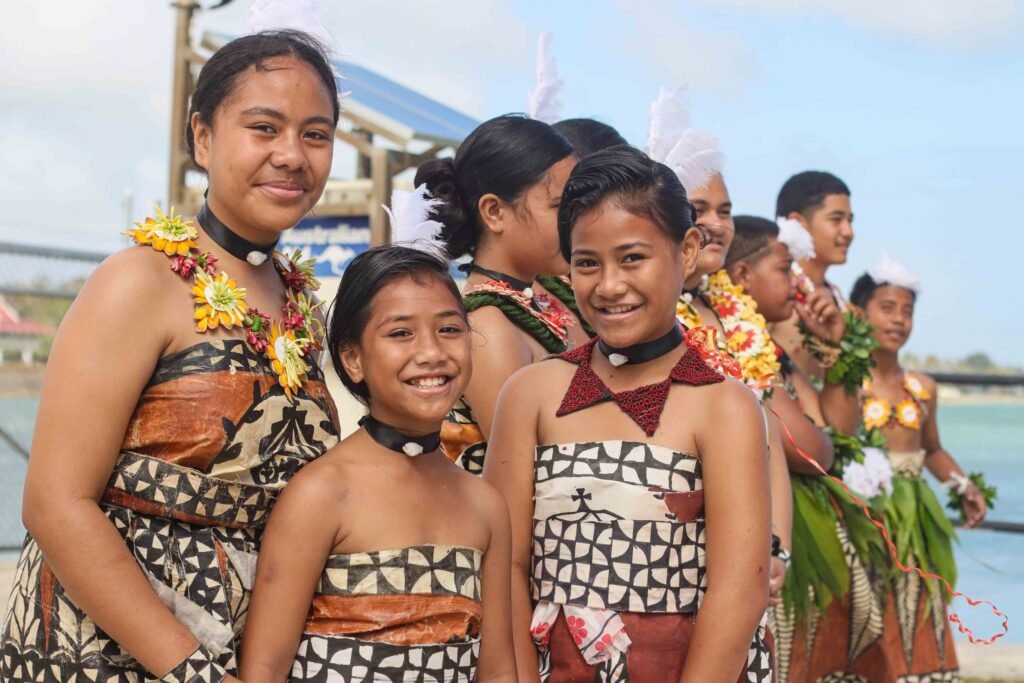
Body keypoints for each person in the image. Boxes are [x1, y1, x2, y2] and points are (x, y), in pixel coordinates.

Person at [1, 30, 341, 681]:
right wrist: (189, 668)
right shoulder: (141, 282)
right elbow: (54, 501)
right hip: (105, 651)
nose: (292, 155)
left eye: (316, 134)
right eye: (264, 127)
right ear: (203, 138)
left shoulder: (303, 307)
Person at [485, 146, 772, 681]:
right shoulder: (530, 394)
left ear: (686, 251)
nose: (609, 286)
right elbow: (506, 567)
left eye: (632, 258)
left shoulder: (725, 405)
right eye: (587, 263)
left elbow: (739, 586)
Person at [239, 245, 516, 682]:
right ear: (352, 359)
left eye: (449, 329)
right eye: (400, 333)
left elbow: (498, 671)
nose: (431, 352)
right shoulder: (323, 493)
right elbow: (263, 669)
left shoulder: (485, 505)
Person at [841, 255, 990, 680]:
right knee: (862, 610)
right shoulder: (844, 383)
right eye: (887, 308)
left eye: (907, 311)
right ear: (858, 313)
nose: (899, 319)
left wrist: (964, 486)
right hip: (862, 517)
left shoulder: (922, 387)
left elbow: (933, 450)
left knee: (915, 605)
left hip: (914, 522)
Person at [416, 115, 576, 475]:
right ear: (494, 212)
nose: (576, 219)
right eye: (559, 205)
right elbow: (529, 470)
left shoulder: (548, 301)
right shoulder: (486, 328)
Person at [769, 171, 855, 381]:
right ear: (797, 222)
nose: (848, 232)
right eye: (836, 220)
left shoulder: (840, 302)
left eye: (850, 221)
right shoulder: (775, 291)